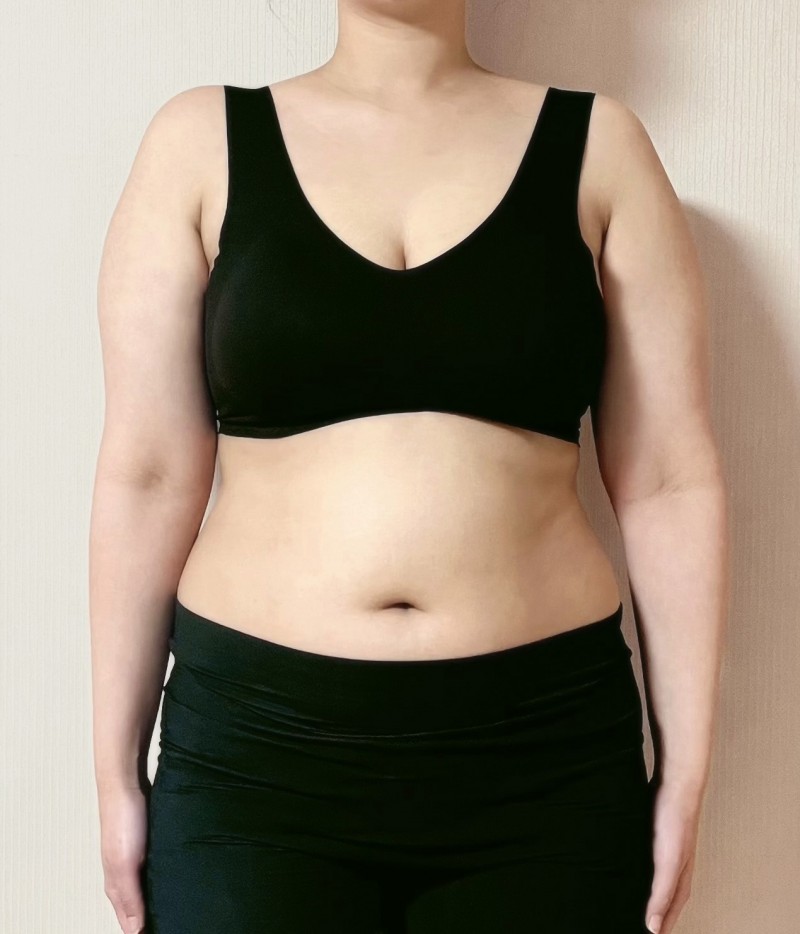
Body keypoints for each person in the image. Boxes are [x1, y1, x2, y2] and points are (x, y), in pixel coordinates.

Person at [89, 2, 729, 933]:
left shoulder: (602, 147)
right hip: (254, 762)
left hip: (543, 759)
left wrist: (686, 777)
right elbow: (146, 474)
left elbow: (669, 478)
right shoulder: (199, 142)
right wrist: (113, 772)